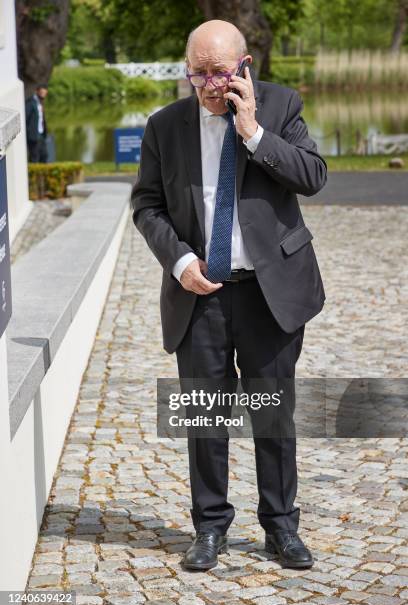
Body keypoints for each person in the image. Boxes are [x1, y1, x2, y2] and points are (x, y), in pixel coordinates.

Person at [131, 20, 327, 571]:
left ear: (244, 67)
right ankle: (210, 527)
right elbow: (147, 206)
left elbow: (313, 176)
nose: (210, 86)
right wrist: (180, 259)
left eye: (220, 73)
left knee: (272, 413)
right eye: (198, 74)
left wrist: (255, 133)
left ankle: (281, 528)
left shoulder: (280, 106)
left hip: (270, 292)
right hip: (201, 292)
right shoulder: (164, 126)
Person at [25, 84, 48, 163]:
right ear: (37, 92)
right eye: (42, 93)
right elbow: (25, 119)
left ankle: (42, 174)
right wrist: (29, 133)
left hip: (41, 134)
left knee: (44, 155)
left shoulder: (40, 103)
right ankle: (33, 174)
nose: (43, 95)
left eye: (44, 94)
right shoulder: (30, 103)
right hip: (33, 136)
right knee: (34, 157)